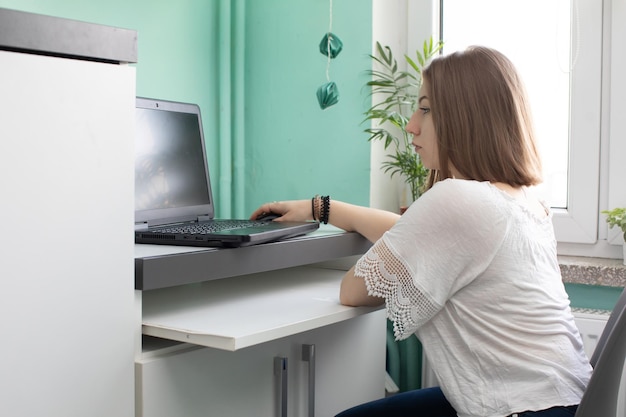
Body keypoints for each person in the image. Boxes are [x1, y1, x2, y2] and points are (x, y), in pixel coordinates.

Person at [250, 46, 592, 417]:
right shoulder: (524, 200)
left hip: (517, 408)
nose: (411, 124)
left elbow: (354, 290)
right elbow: (415, 236)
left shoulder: (458, 199)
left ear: (466, 118)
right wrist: (321, 208)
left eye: (425, 109)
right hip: (563, 399)